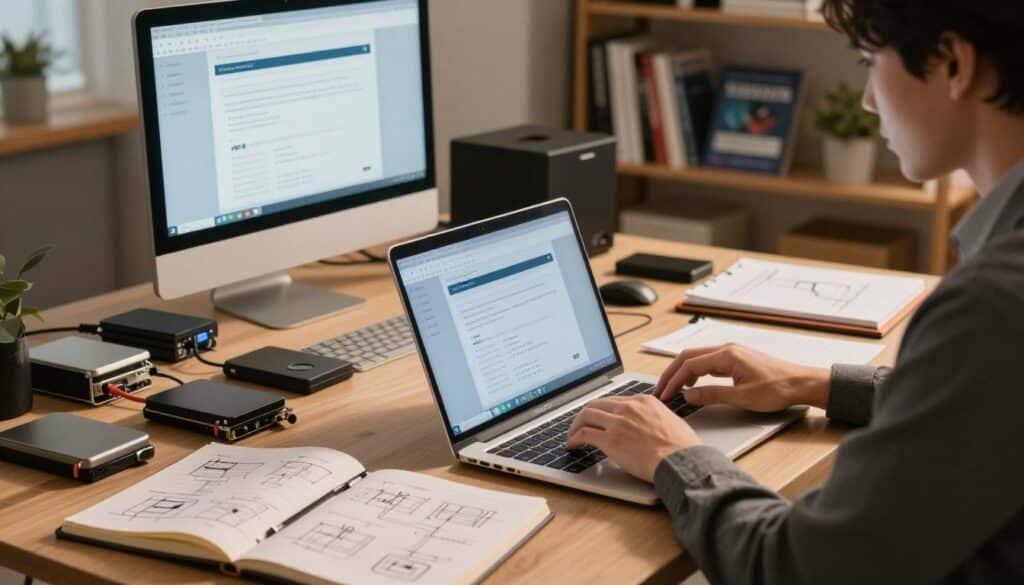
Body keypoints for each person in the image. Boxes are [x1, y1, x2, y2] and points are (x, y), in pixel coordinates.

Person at [565, 1, 1024, 583]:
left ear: (954, 63)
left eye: (868, 62)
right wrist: (816, 383)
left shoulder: (993, 305)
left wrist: (671, 456)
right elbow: (981, 405)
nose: (867, 100)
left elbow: (797, 568)